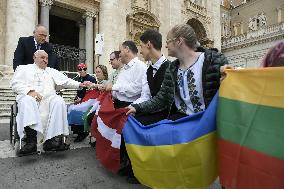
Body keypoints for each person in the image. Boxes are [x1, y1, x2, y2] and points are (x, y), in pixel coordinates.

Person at [127, 23, 228, 121]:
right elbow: (162, 98)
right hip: (182, 121)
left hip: (209, 121)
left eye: (168, 42)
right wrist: (137, 107)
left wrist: (228, 79)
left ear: (179, 41)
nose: (166, 46)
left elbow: (231, 92)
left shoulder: (213, 60)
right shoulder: (172, 68)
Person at [11, 50, 90, 156]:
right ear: (34, 57)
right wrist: (30, 92)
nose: (45, 60)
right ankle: (31, 142)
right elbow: (15, 84)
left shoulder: (51, 71)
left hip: (48, 101)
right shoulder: (23, 69)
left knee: (59, 100)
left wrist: (81, 84)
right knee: (27, 101)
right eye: (42, 57)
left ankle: (51, 141)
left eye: (47, 58)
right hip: (30, 100)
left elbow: (67, 81)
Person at [104, 41, 147, 108]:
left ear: (127, 49)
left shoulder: (140, 66)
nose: (119, 54)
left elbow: (136, 88)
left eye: (120, 51)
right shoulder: (124, 67)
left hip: (128, 106)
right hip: (118, 104)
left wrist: (114, 87)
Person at [70, 63, 97, 142]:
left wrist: (81, 99)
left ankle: (82, 133)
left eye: (84, 69)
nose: (82, 71)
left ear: (86, 69)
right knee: (70, 109)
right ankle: (76, 131)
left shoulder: (91, 79)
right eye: (80, 69)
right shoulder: (78, 79)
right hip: (80, 100)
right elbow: (77, 92)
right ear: (77, 70)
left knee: (77, 110)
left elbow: (92, 93)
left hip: (89, 101)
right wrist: (76, 98)